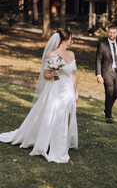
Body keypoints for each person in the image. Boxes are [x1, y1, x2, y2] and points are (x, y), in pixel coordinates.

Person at [0, 28, 78, 163]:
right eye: (72, 39)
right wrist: (53, 74)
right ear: (66, 40)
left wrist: (76, 92)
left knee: (68, 117)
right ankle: (55, 146)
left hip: (69, 90)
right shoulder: (52, 55)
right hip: (57, 89)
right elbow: (46, 75)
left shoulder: (71, 54)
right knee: (57, 117)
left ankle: (62, 141)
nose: (73, 41)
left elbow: (73, 75)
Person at [96, 25, 117, 124]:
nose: (112, 34)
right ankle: (108, 117)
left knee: (116, 94)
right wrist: (99, 74)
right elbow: (98, 60)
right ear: (107, 32)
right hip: (107, 73)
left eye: (114, 32)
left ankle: (106, 109)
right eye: (110, 32)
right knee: (109, 94)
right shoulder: (102, 44)